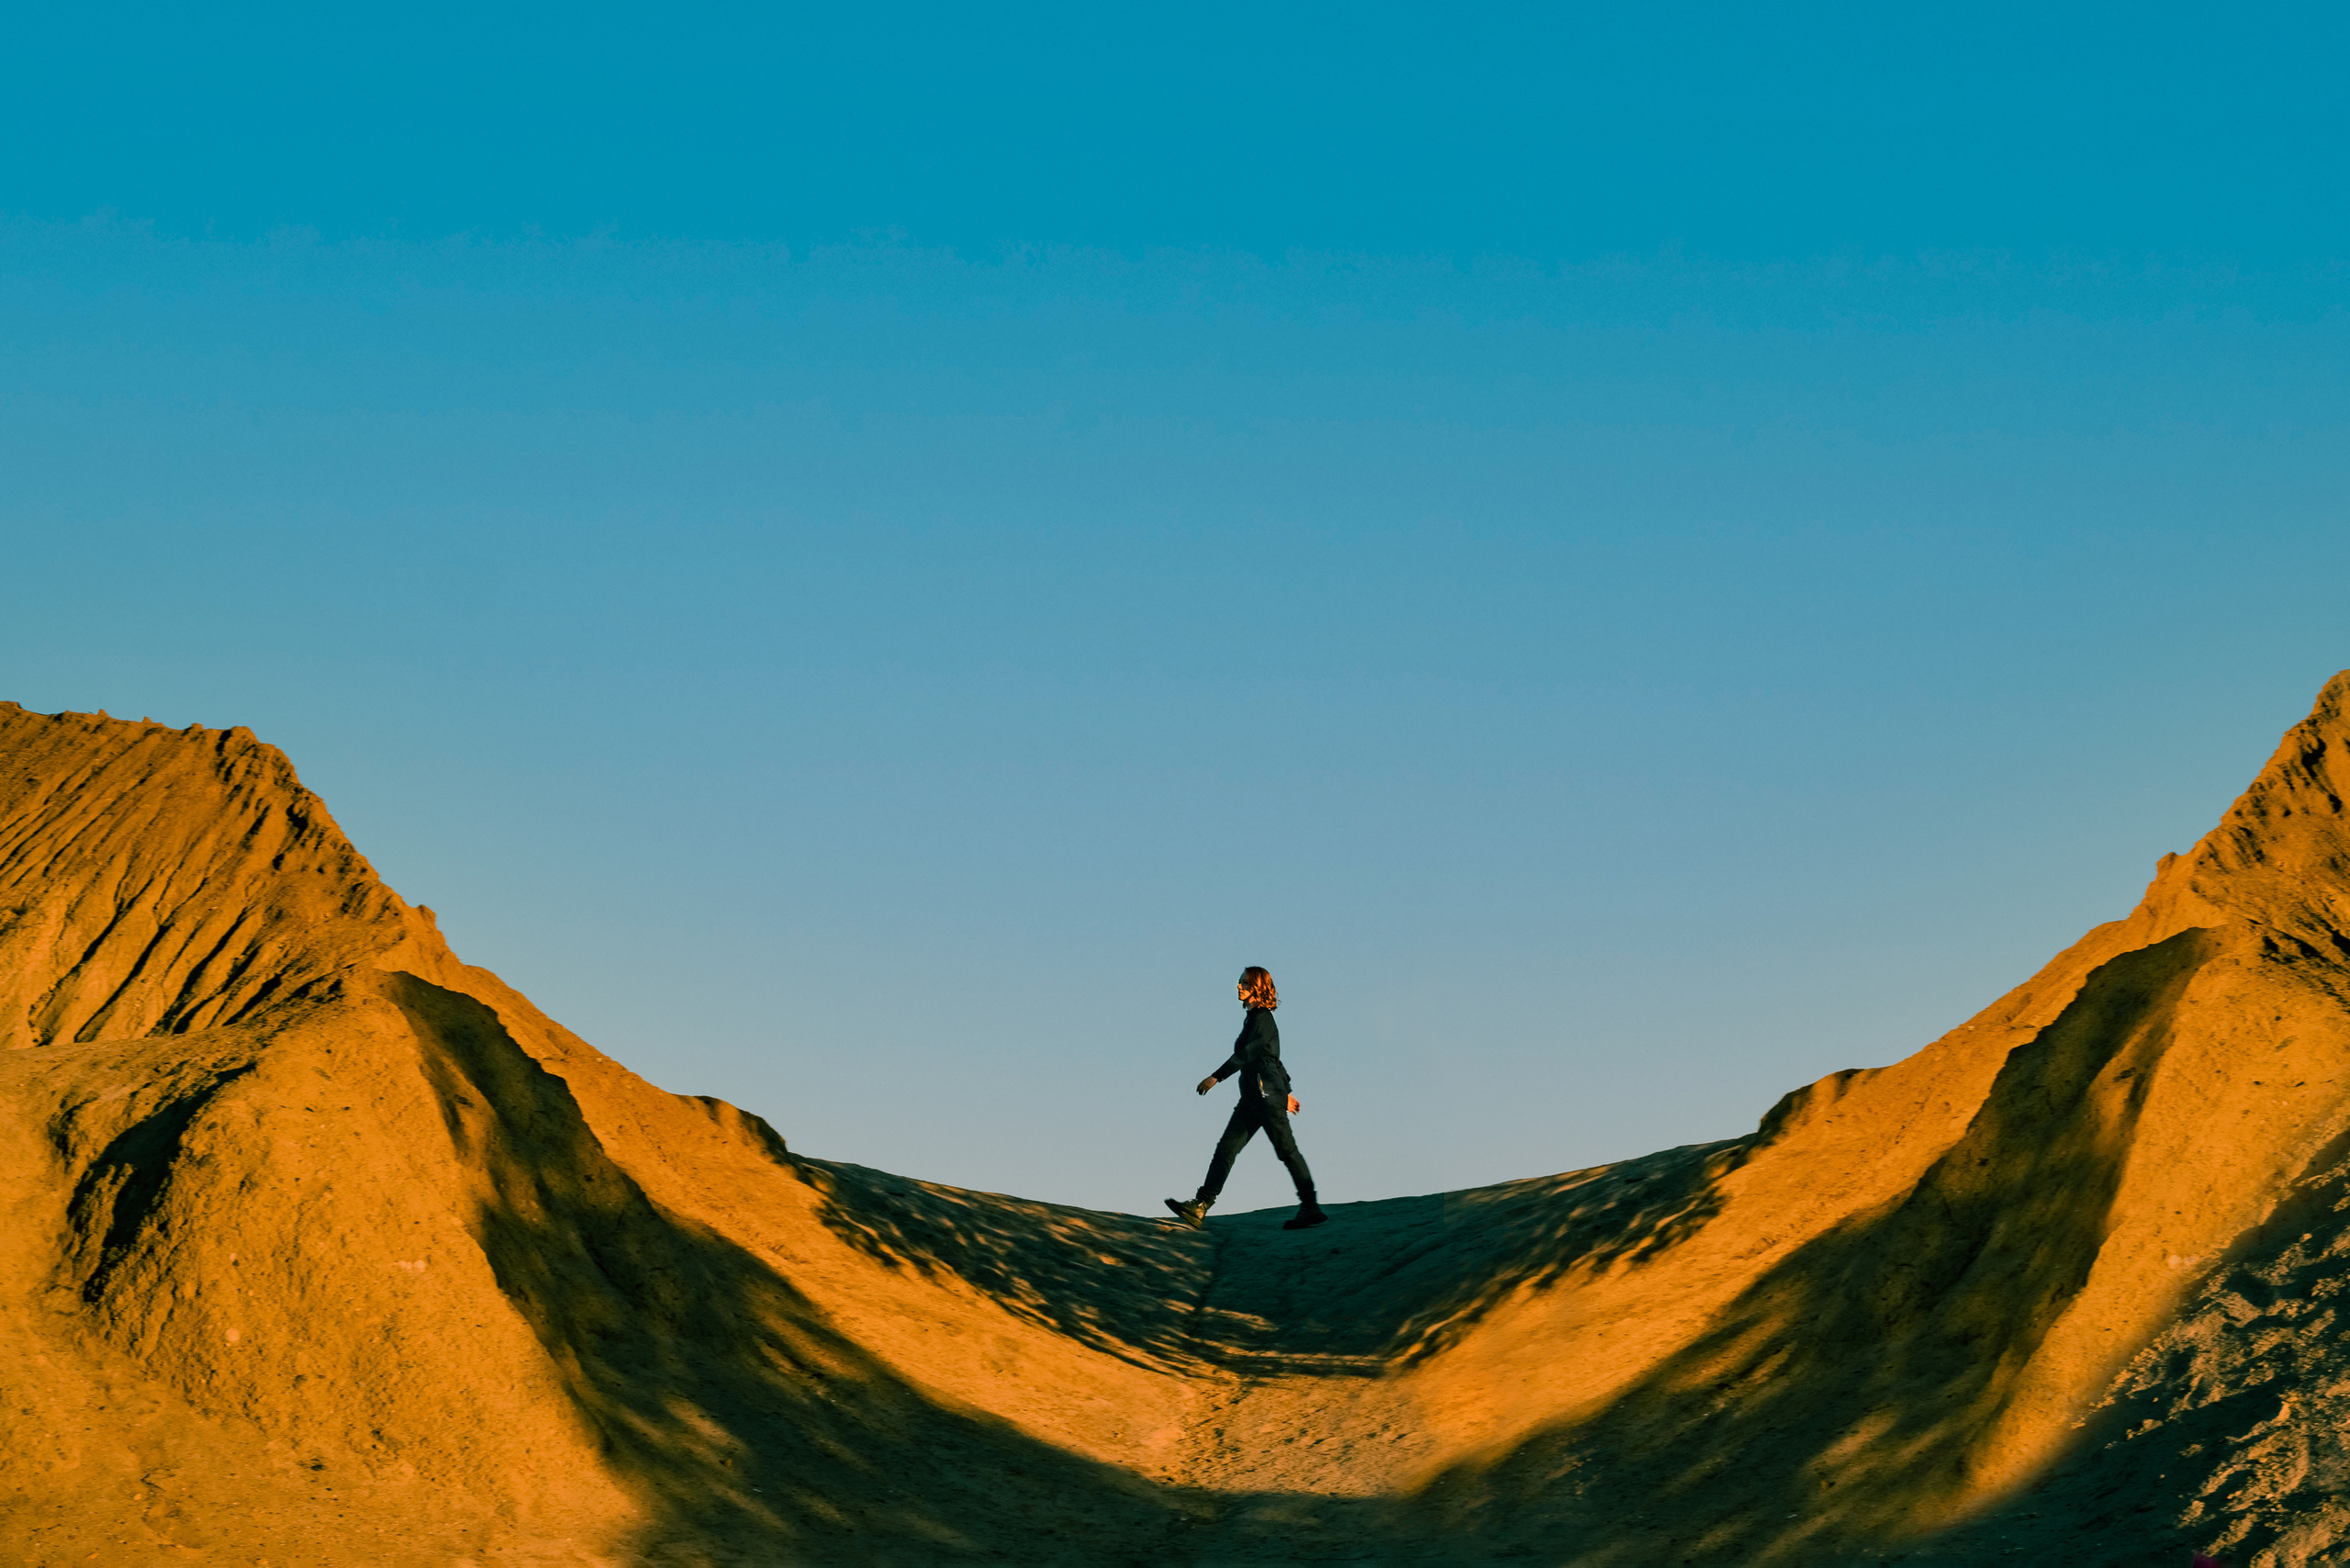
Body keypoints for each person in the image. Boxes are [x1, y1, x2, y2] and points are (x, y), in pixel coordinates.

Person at [1165, 966, 1326, 1231]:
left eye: (1245, 983)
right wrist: (1287, 1092)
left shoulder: (1262, 1018)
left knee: (1287, 1152)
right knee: (1226, 1149)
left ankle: (1310, 1207)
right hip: (1254, 1098)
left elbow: (1248, 1054)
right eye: (1239, 982)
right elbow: (1274, 1059)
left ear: (1258, 987)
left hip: (1265, 1098)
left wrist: (1216, 1077)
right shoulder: (1253, 1020)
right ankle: (1200, 1205)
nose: (1239, 986)